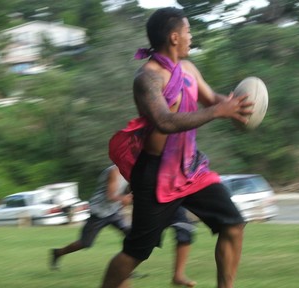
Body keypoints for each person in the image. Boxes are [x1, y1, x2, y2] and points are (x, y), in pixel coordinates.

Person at [102, 7, 253, 288]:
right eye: (188, 32)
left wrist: (239, 107)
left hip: (191, 168)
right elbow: (165, 121)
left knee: (233, 224)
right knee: (137, 251)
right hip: (155, 174)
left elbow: (211, 99)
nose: (190, 38)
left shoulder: (189, 69)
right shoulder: (147, 77)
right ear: (174, 37)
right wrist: (221, 111)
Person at [50, 164, 197, 287]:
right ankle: (58, 252)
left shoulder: (133, 171)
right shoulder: (114, 171)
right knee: (85, 243)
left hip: (114, 212)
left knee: (132, 236)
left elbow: (130, 190)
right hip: (99, 212)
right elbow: (111, 195)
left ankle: (126, 269)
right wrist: (125, 198)